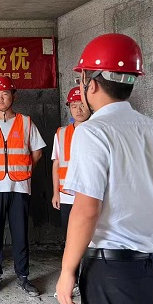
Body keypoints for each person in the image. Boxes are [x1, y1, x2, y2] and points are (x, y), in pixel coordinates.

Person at [55, 33, 153, 304]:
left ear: (91, 83)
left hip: (115, 275)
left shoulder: (92, 133)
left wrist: (67, 271)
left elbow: (86, 210)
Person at [0, 76, 46, 297]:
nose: (1, 98)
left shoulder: (26, 122)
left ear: (14, 95)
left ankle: (23, 277)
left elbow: (37, 152)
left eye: (5, 94)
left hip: (19, 186)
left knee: (20, 233)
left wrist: (23, 171)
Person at [51, 86, 91, 230]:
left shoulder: (98, 131)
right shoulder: (61, 133)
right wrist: (56, 193)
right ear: (69, 108)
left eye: (82, 105)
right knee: (69, 234)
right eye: (74, 106)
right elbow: (56, 164)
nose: (78, 110)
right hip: (66, 194)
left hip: (90, 193)